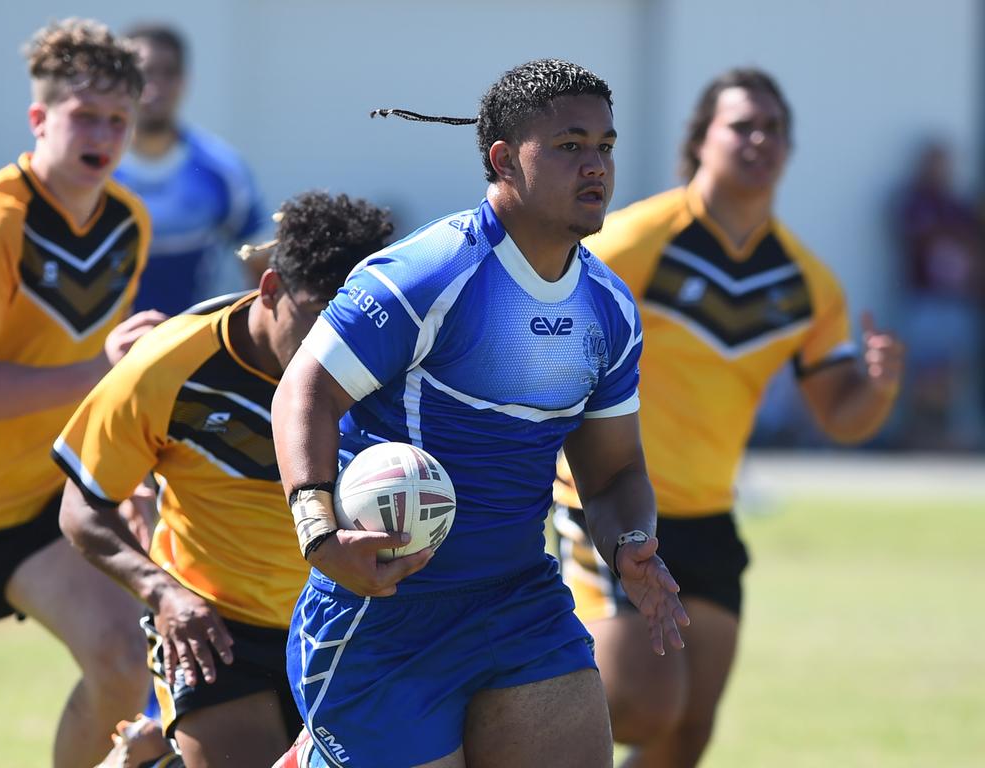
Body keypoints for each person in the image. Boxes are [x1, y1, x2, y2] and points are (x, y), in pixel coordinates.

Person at [271, 59, 690, 768]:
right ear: (503, 159)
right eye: (569, 146)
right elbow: (305, 392)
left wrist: (632, 545)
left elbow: (613, 471)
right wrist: (317, 531)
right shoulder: (428, 273)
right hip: (387, 614)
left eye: (606, 147)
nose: (596, 166)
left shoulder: (609, 309)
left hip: (520, 604)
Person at [553, 68, 906, 768]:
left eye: (773, 128)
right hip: (612, 505)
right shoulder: (632, 242)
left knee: (687, 736)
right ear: (701, 140)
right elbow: (540, 329)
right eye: (741, 125)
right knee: (642, 702)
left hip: (710, 519)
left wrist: (881, 387)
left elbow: (842, 417)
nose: (759, 139)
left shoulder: (806, 281)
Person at [55, 192, 394, 768]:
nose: (333, 345)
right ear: (269, 291)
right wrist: (164, 594)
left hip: (348, 621)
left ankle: (156, 759)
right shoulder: (167, 365)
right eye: (317, 316)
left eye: (351, 322)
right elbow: (82, 509)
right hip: (215, 631)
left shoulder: (383, 362)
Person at [0, 18, 166, 766]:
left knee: (122, 662)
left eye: (119, 119)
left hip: (26, 513)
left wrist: (132, 473)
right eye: (85, 114)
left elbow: (108, 374)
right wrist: (100, 374)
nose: (105, 134)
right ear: (40, 119)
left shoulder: (128, 223)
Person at [114, 23, 267, 316]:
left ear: (185, 80)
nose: (155, 86)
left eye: (168, 72)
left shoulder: (221, 168)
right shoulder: (91, 168)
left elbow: (262, 266)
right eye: (143, 72)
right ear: (121, 81)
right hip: (101, 357)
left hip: (189, 351)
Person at [894, 140, 984, 450]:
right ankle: (917, 437)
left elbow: (974, 245)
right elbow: (923, 237)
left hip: (956, 301)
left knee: (952, 373)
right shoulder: (915, 201)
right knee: (923, 370)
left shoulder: (957, 205)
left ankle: (945, 437)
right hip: (925, 300)